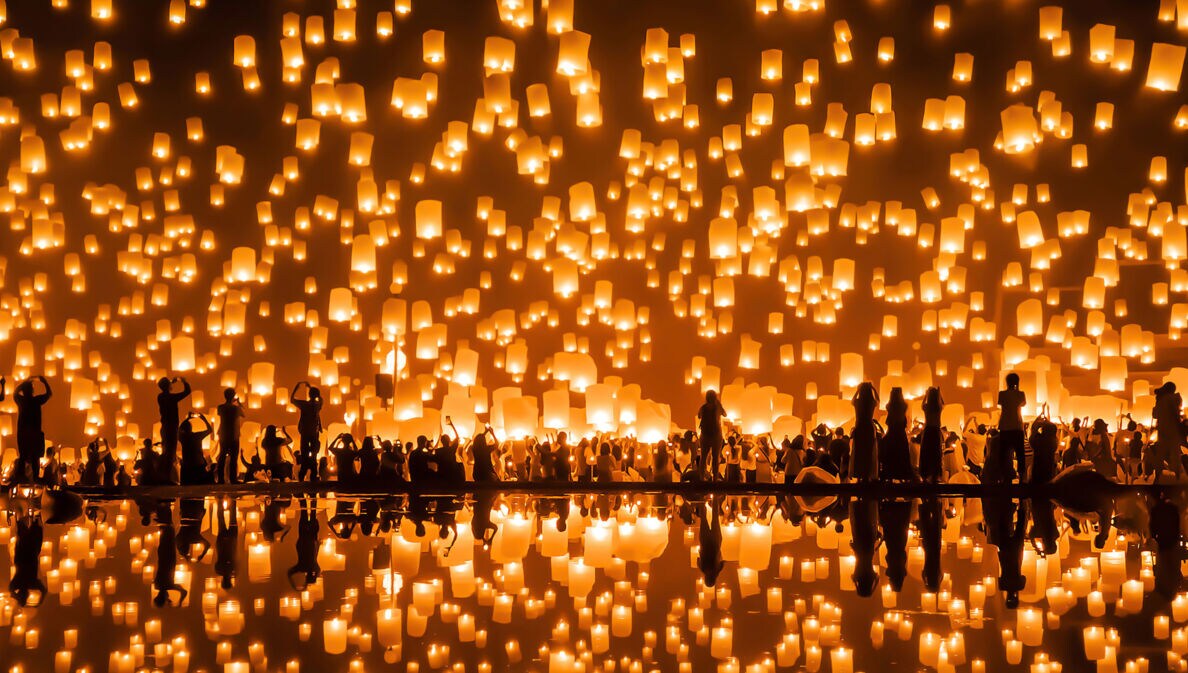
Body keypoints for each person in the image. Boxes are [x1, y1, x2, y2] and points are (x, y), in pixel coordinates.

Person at [12, 376, 52, 484]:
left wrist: (26, 381)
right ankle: (35, 479)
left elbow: (15, 393)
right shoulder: (36, 401)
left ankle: (21, 477)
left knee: (23, 456)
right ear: (32, 390)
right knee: (35, 458)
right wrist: (44, 382)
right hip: (34, 433)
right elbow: (49, 394)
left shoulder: (21, 400)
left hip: (23, 433)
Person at [156, 377, 192, 485]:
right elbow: (187, 391)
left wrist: (170, 382)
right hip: (171, 428)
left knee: (166, 452)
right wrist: (183, 381)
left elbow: (166, 389)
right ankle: (166, 478)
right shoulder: (172, 398)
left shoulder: (160, 397)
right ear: (168, 386)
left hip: (164, 427)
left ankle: (164, 477)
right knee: (170, 453)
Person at [880, 387, 916, 482]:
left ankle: (890, 477)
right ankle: (903, 477)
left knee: (890, 457)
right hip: (901, 436)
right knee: (901, 456)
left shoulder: (889, 406)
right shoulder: (904, 406)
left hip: (891, 435)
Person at [997, 373, 1027, 482]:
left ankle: (1003, 476)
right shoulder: (1021, 394)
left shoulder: (1002, 394)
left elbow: (1001, 404)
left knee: (1004, 454)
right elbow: (1023, 404)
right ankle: (1022, 477)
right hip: (1017, 426)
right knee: (1020, 454)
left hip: (1005, 426)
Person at [293, 382, 324, 481]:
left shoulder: (304, 404)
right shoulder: (317, 405)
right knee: (314, 455)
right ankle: (313, 475)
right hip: (314, 433)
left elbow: (292, 400)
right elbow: (320, 398)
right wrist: (311, 388)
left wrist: (296, 388)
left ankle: (302, 475)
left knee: (305, 454)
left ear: (309, 395)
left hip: (305, 433)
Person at [849, 382, 879, 483]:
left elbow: (852, 401)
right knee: (868, 452)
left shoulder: (858, 402)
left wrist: (858, 389)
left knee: (859, 452)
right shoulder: (871, 402)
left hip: (860, 427)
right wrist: (873, 388)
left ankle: (859, 475)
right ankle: (867, 474)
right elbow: (878, 400)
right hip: (869, 428)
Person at [216, 388, 245, 484]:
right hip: (234, 434)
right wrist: (239, 403)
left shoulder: (220, 407)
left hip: (223, 434)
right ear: (233, 396)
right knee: (233, 458)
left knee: (222, 456)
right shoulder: (235, 408)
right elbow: (243, 414)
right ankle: (233, 479)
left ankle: (220, 479)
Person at [178, 412, 214, 485]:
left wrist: (187, 419)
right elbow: (210, 430)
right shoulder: (197, 436)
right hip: (198, 463)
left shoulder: (182, 438)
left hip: (187, 465)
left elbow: (178, 430)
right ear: (191, 428)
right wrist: (203, 419)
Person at [697, 390, 725, 481]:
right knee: (715, 457)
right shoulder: (717, 407)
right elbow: (725, 414)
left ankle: (701, 478)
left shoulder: (703, 407)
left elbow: (699, 416)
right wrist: (718, 403)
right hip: (716, 435)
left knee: (703, 457)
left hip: (705, 435)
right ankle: (715, 478)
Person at [920, 387, 944, 482]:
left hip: (928, 431)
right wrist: (939, 393)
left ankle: (925, 474)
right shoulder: (938, 408)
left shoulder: (926, 407)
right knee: (936, 453)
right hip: (936, 431)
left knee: (926, 453)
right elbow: (943, 403)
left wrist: (926, 394)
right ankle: (935, 474)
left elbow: (922, 404)